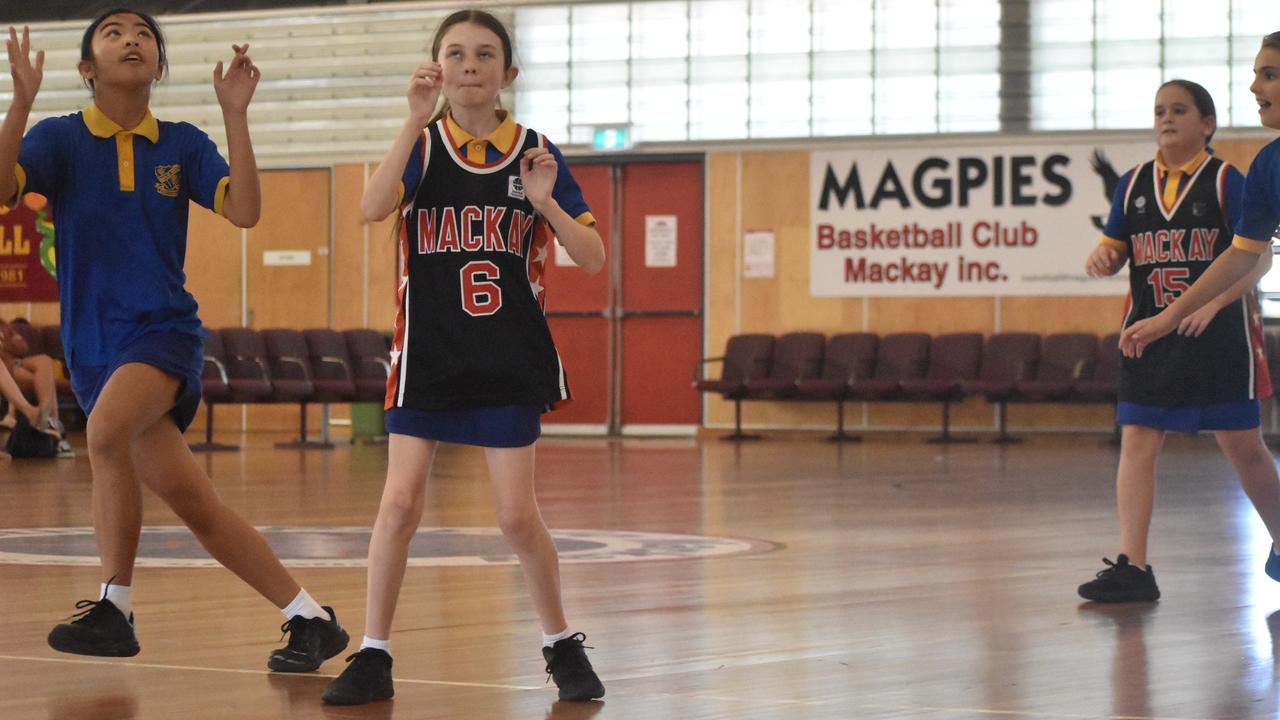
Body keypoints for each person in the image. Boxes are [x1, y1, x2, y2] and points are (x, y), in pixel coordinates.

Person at [0, 9, 348, 668]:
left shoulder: (183, 144)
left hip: (162, 333)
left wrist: (236, 117)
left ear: (157, 65)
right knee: (199, 507)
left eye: (143, 34)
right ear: (85, 69)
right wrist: (18, 103)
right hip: (94, 350)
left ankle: (115, 607)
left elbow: (244, 210)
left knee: (101, 436)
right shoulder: (59, 139)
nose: (131, 38)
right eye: (113, 33)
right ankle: (310, 619)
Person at [321, 9, 606, 706]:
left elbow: (593, 257)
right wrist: (411, 122)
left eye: (485, 54)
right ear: (437, 69)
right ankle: (374, 652)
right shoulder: (423, 146)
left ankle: (559, 641)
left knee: (515, 517)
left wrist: (547, 205)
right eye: (455, 53)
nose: (470, 64)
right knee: (398, 505)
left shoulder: (537, 152)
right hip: (427, 354)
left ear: (508, 73)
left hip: (507, 356)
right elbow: (369, 206)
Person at [1080, 78, 1280, 602]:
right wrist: (1103, 258)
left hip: (1219, 335)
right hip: (1149, 330)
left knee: (1243, 447)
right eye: (1159, 110)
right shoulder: (1131, 184)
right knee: (1138, 439)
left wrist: (1214, 302)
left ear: (1206, 124)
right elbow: (1115, 248)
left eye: (1179, 110)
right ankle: (1134, 567)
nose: (1166, 118)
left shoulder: (1228, 180)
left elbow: (1258, 254)